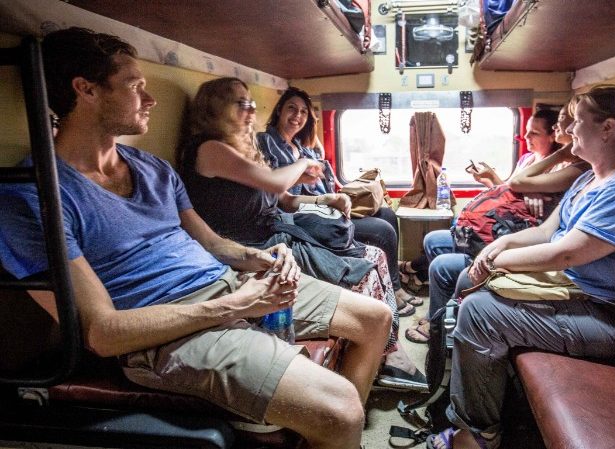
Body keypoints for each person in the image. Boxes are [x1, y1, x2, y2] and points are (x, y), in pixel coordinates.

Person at [0, 27, 392, 449]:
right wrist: (233, 306)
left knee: (375, 319)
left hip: (229, 285)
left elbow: (212, 244)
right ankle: (330, 425)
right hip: (169, 329)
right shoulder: (34, 197)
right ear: (86, 90)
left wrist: (261, 258)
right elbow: (104, 332)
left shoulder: (153, 169)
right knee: (341, 409)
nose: (149, 100)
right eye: (136, 87)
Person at [426, 85, 615, 449]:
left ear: (607, 128)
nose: (571, 130)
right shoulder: (589, 177)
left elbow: (565, 254)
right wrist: (497, 248)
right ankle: (458, 392)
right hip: (580, 292)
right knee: (469, 280)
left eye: (577, 121)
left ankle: (478, 434)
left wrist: (495, 264)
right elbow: (547, 232)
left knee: (480, 313)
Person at [175, 77, 427, 392]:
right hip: (248, 246)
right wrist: (304, 161)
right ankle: (389, 354)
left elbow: (286, 200)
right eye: (241, 103)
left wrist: (324, 199)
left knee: (374, 252)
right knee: (368, 259)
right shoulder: (209, 149)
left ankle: (386, 351)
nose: (251, 109)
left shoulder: (243, 147)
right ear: (216, 107)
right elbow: (277, 184)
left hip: (274, 229)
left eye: (251, 102)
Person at [404, 104, 589, 344]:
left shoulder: (569, 169)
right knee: (435, 239)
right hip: (504, 227)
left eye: (535, 132)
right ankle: (435, 298)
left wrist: (530, 183)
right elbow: (510, 197)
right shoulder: (528, 159)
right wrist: (493, 180)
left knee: (440, 264)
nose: (526, 137)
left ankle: (436, 314)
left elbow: (521, 192)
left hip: (517, 234)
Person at [257, 87, 423, 316]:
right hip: (305, 212)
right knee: (382, 231)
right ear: (278, 112)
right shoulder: (267, 142)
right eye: (291, 109)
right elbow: (282, 197)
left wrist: (338, 193)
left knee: (387, 214)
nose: (297, 116)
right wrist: (326, 200)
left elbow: (324, 174)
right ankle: (393, 288)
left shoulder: (302, 147)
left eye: (304, 112)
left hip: (325, 205)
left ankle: (395, 283)